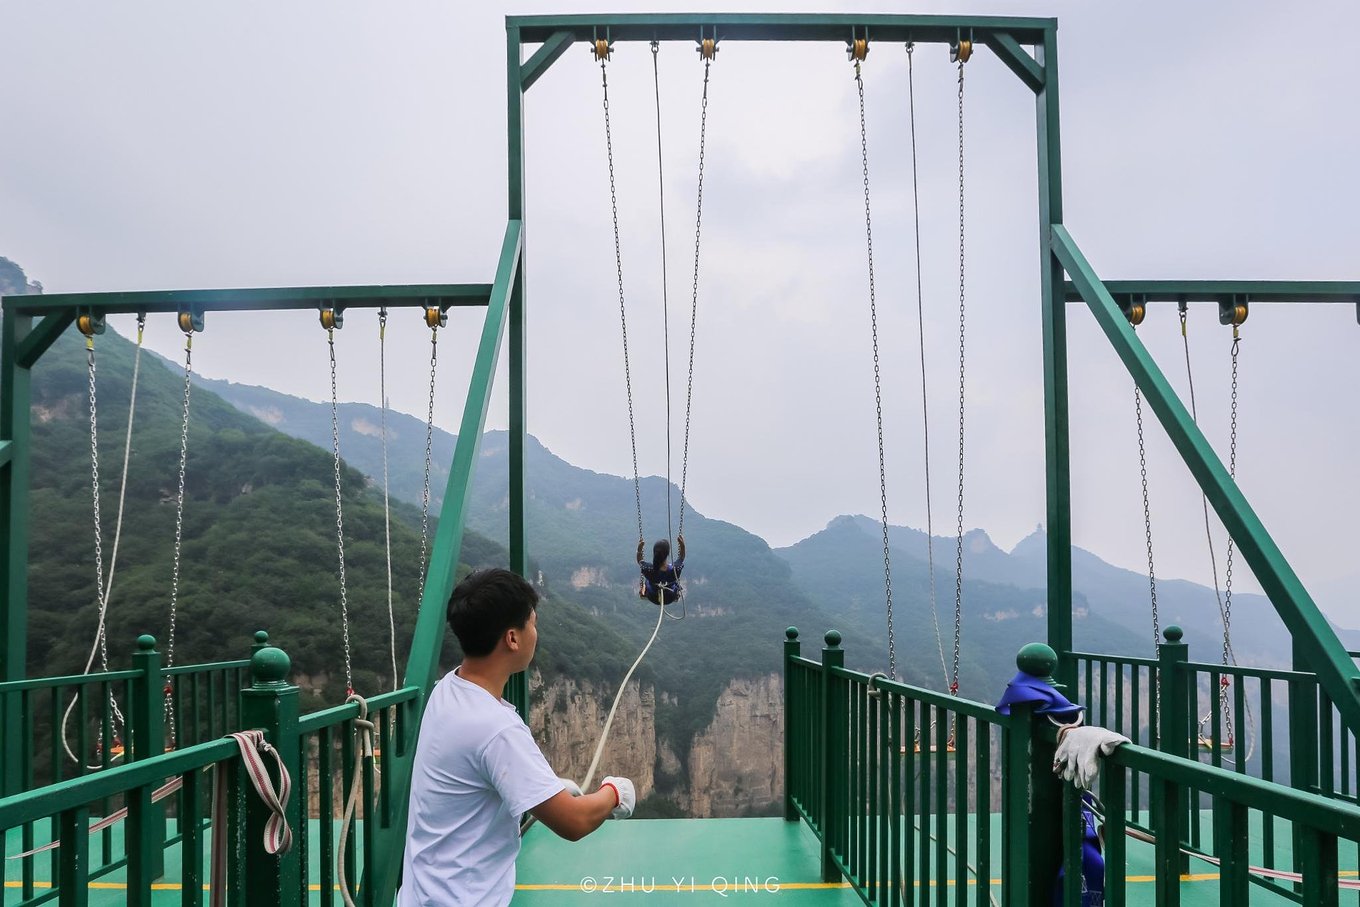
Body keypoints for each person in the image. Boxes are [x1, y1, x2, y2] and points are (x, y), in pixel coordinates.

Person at [399, 568, 636, 907]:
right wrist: (615, 793)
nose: (536, 633)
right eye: (533, 624)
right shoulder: (496, 729)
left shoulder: (447, 688)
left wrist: (543, 789)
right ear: (512, 638)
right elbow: (574, 821)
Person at [637, 535, 685, 606]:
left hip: (653, 597)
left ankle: (647, 588)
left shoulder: (648, 569)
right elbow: (681, 558)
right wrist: (682, 545)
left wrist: (639, 549)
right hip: (670, 597)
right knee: (674, 582)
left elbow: (640, 561)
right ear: (667, 554)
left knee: (647, 580)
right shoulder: (675, 569)